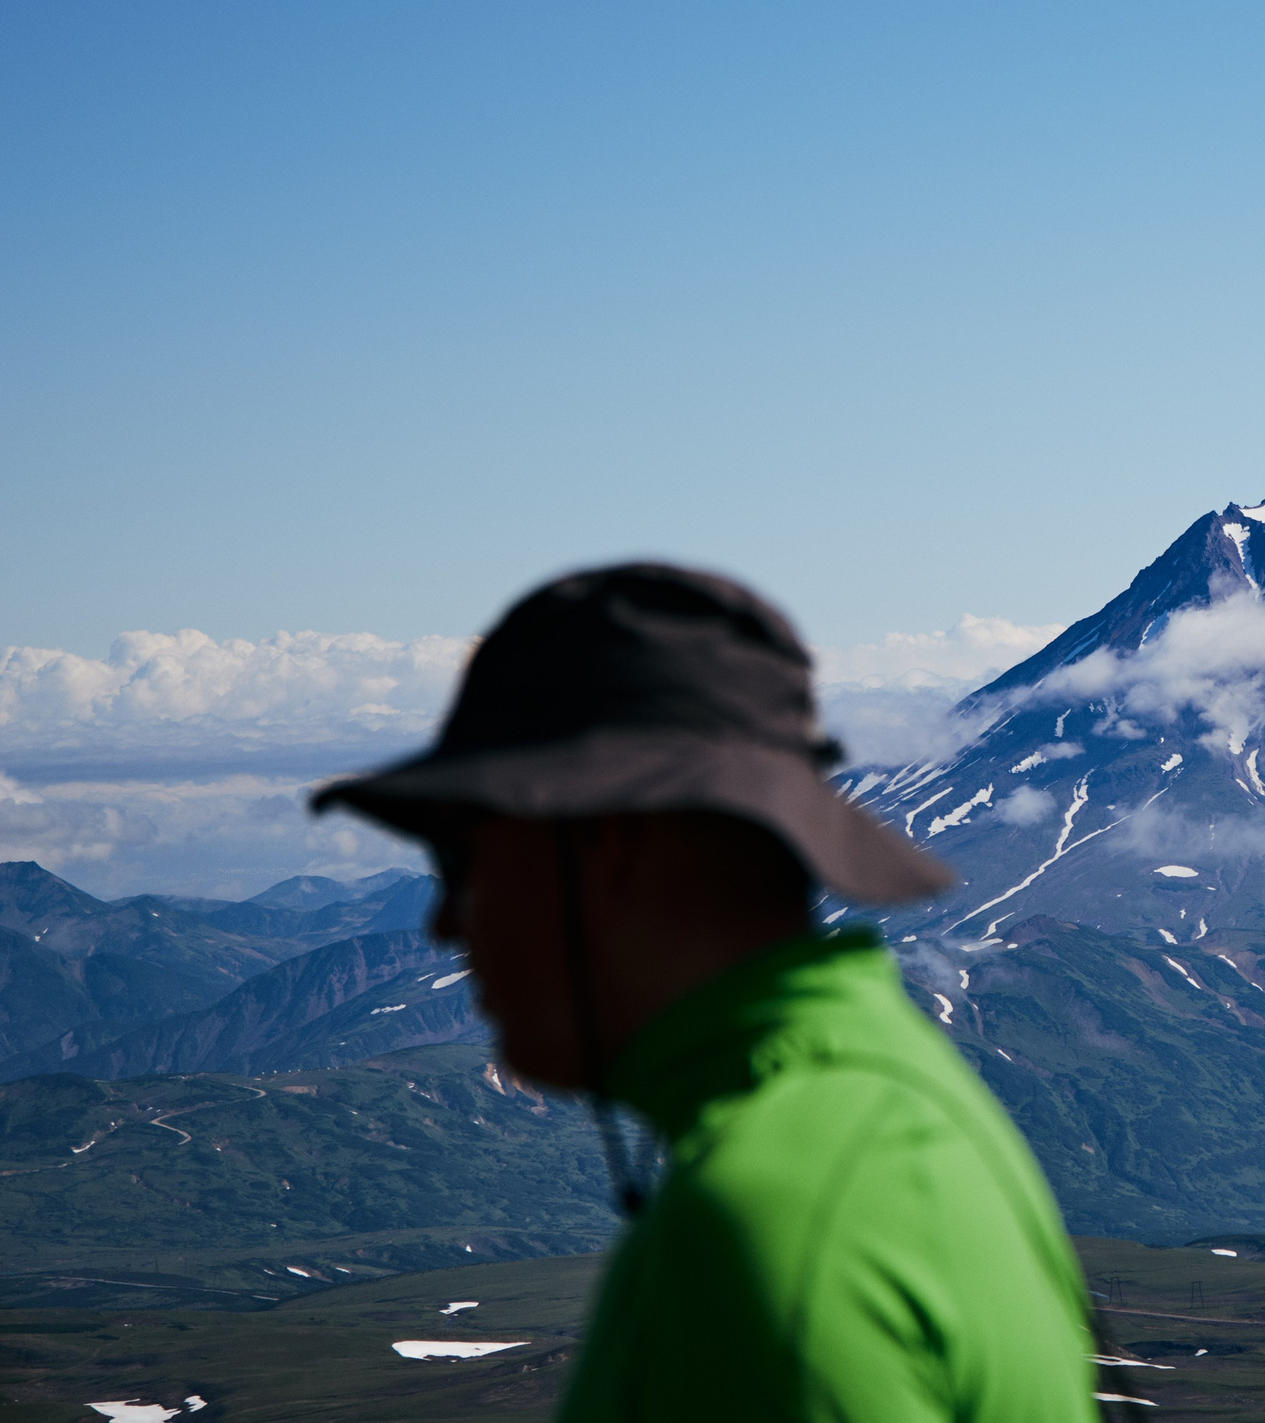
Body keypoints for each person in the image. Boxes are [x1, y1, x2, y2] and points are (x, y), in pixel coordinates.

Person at [315, 562, 1097, 1422]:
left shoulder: (770, 1226)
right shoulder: (900, 1096)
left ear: (603, 847)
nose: (445, 923)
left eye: (463, 862)